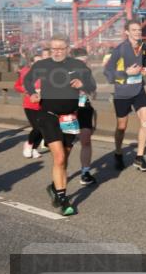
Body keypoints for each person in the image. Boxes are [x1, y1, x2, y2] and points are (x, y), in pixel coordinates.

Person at [22, 34, 96, 215]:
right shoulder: (42, 65)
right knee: (60, 157)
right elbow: (27, 80)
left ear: (67, 49)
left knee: (65, 157)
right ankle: (63, 199)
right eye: (53, 48)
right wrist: (32, 93)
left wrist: (83, 83)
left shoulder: (77, 65)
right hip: (49, 116)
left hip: (69, 118)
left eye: (60, 48)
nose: (56, 52)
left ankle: (55, 187)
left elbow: (92, 84)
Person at [104, 19, 146, 172]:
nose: (138, 32)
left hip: (139, 90)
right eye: (134, 30)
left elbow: (143, 62)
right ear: (127, 32)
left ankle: (139, 157)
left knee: (145, 121)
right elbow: (108, 72)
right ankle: (118, 153)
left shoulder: (143, 47)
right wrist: (126, 73)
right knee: (121, 127)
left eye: (139, 30)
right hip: (122, 93)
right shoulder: (119, 50)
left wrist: (144, 69)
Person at [14, 47, 50, 159]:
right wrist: (27, 90)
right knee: (37, 127)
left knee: (43, 128)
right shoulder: (26, 71)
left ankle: (34, 148)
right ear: (32, 62)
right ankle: (29, 144)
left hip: (44, 104)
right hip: (30, 104)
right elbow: (17, 86)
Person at [70, 47, 98, 186]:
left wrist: (85, 86)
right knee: (66, 145)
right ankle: (60, 171)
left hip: (84, 108)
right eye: (81, 62)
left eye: (85, 61)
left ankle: (85, 173)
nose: (84, 64)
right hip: (69, 110)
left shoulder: (87, 72)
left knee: (86, 140)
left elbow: (93, 88)